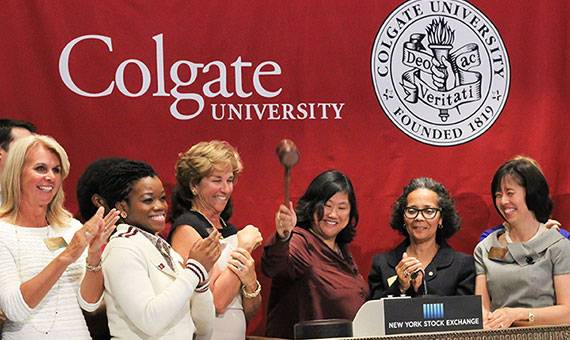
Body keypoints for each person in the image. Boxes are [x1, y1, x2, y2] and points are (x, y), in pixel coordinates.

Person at [0, 135, 119, 339]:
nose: (51, 177)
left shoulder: (70, 227)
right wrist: (68, 255)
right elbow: (15, 309)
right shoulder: (3, 232)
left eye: (56, 170)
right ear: (16, 173)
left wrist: (92, 254)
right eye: (40, 168)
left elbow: (89, 303)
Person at [100, 160, 221, 339]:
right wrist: (194, 270)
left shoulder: (164, 248)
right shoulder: (122, 249)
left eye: (162, 198)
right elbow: (150, 320)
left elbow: (203, 329)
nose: (160, 206)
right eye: (148, 200)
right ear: (122, 207)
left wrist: (201, 281)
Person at [168, 140, 263, 340]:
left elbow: (249, 310)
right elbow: (216, 303)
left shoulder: (230, 230)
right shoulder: (187, 229)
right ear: (194, 185)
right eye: (217, 180)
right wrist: (244, 248)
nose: (226, 189)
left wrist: (251, 284)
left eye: (229, 180)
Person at [262, 169, 368, 339]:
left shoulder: (342, 250)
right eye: (327, 205)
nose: (333, 214)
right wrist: (283, 237)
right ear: (312, 205)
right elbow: (274, 267)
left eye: (342, 207)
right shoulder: (299, 241)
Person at [474, 157, 570, 329]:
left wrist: (516, 315)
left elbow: (567, 312)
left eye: (510, 193)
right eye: (498, 195)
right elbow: (482, 308)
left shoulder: (559, 246)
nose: (503, 201)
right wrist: (484, 319)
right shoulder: (485, 248)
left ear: (531, 193)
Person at [368, 177, 474, 299]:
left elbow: (464, 313)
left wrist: (422, 288)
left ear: (441, 218)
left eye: (429, 211)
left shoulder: (462, 265)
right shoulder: (382, 264)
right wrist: (400, 287)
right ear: (403, 217)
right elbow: (374, 312)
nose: (419, 217)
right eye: (412, 211)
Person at [75, 157, 127, 340]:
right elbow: (91, 308)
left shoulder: (140, 237)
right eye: (126, 193)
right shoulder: (81, 243)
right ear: (99, 201)